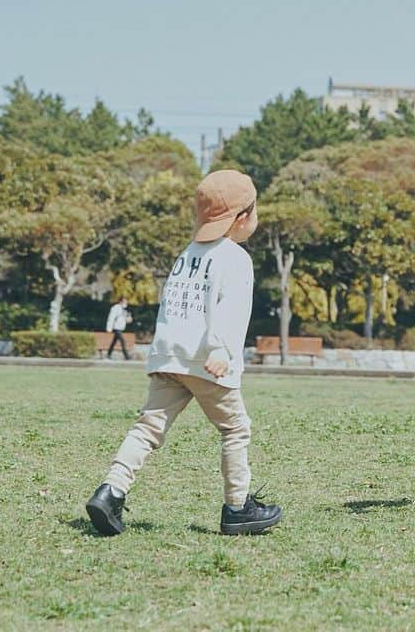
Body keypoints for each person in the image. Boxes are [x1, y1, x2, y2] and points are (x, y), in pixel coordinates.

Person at [85, 169, 283, 537]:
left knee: (148, 427)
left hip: (168, 356)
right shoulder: (235, 257)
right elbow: (231, 309)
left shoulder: (187, 255)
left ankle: (110, 491)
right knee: (235, 429)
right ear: (242, 218)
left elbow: (173, 305)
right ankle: (238, 508)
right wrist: (222, 349)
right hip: (208, 359)